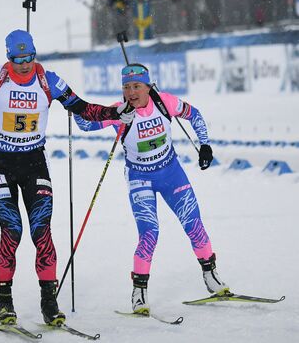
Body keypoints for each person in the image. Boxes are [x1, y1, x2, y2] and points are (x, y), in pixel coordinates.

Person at [0, 29, 134, 326]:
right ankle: (4, 301)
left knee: (42, 232)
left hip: (34, 162)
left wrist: (116, 113)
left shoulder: (49, 80)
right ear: (8, 57)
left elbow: (83, 108)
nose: (24, 64)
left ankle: (49, 302)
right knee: (12, 231)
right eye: (17, 58)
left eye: (29, 57)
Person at [73, 63, 229, 315]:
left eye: (136, 86)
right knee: (149, 233)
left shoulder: (164, 102)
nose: (131, 92)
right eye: (126, 87)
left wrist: (205, 145)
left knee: (193, 223)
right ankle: (139, 293)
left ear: (148, 86)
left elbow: (194, 114)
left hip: (171, 173)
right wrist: (76, 106)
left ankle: (211, 276)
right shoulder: (118, 111)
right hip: (139, 179)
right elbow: (85, 124)